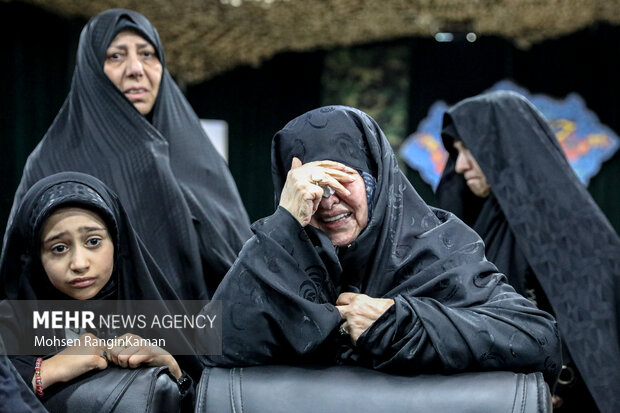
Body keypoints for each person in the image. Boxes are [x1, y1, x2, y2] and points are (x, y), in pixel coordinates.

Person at [200, 105, 561, 384]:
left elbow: (539, 338)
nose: (327, 200)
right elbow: (208, 341)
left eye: (343, 179)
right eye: (309, 186)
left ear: (378, 179)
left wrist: (395, 323)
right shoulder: (280, 256)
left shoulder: (438, 247)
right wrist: (284, 223)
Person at [2, 9, 252, 300]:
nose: (136, 68)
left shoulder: (198, 153)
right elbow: (20, 288)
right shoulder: (51, 162)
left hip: (202, 335)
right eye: (116, 56)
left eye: (147, 54)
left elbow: (240, 265)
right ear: (91, 69)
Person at [436, 91, 620, 413]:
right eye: (456, 152)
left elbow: (593, 320)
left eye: (470, 150)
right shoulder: (479, 222)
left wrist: (561, 384)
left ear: (502, 147)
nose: (461, 165)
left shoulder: (567, 222)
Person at [0, 172, 195, 405]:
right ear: (34, 257)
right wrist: (44, 372)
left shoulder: (153, 312)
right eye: (59, 248)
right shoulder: (10, 324)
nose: (79, 264)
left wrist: (174, 372)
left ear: (117, 241)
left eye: (93, 241)